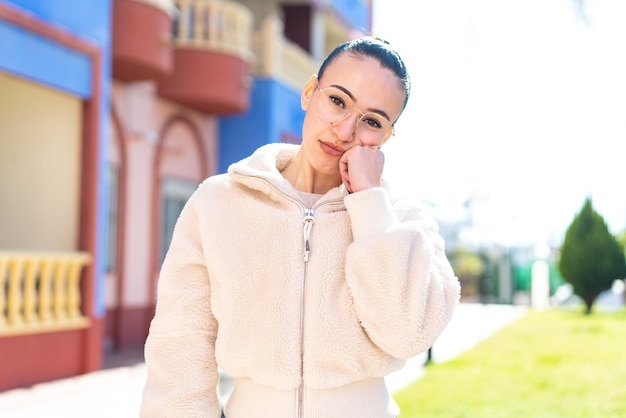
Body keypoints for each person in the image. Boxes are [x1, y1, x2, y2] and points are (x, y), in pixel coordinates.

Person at [139, 36, 460, 418]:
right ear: (310, 92)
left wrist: (369, 204)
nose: (344, 132)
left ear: (386, 136)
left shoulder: (404, 219)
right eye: (337, 101)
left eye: (372, 121)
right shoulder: (218, 203)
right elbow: (180, 346)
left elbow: (409, 334)